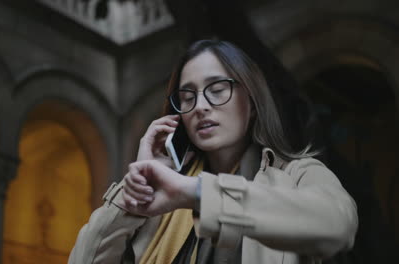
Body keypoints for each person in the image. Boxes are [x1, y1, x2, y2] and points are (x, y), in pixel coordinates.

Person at [68, 40, 358, 264]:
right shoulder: (161, 197)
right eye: (187, 95)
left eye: (217, 88)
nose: (201, 106)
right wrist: (134, 195)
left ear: (253, 101)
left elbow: (338, 225)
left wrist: (197, 194)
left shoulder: (296, 174)